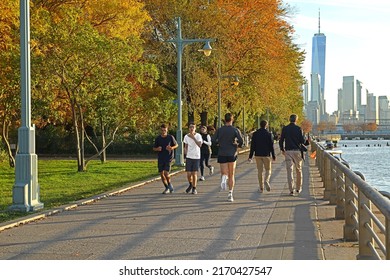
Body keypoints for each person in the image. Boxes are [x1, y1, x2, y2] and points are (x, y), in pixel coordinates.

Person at [212, 113, 244, 202]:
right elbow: (241, 141)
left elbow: (213, 140)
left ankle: (223, 178)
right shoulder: (235, 130)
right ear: (232, 119)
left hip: (222, 152)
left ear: (224, 120)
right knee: (232, 174)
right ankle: (230, 193)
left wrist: (219, 143)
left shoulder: (219, 130)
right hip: (232, 153)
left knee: (224, 172)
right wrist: (237, 145)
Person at [279, 114, 305, 196]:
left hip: (288, 151)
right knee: (299, 170)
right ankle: (298, 188)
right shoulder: (299, 129)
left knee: (289, 171)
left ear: (289, 120)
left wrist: (282, 149)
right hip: (297, 151)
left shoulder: (285, 128)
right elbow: (302, 141)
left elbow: (281, 140)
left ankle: (291, 190)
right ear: (296, 120)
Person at [248, 120, 276, 193]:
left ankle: (261, 188)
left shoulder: (255, 134)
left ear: (260, 125)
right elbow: (271, 146)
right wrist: (273, 155)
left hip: (258, 155)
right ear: (266, 125)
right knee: (268, 170)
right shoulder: (269, 134)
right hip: (266, 155)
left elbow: (252, 146)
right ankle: (266, 180)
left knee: (260, 171)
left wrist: (250, 156)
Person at [153, 123, 178, 194]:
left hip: (168, 157)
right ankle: (166, 187)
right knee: (161, 173)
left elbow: (176, 145)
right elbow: (154, 148)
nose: (164, 132)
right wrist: (157, 149)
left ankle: (169, 184)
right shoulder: (158, 138)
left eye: (165, 130)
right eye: (162, 130)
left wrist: (171, 148)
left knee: (166, 173)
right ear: (161, 130)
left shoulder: (170, 137)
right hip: (161, 157)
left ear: (167, 130)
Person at [183, 122, 203, 194]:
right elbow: (185, 146)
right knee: (188, 174)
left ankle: (194, 188)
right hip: (189, 156)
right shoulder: (186, 137)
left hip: (196, 156)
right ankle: (190, 184)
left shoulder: (198, 136)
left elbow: (199, 145)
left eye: (193, 127)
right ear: (189, 128)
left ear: (195, 128)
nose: (191, 129)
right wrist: (185, 153)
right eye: (190, 127)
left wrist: (193, 137)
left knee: (194, 173)